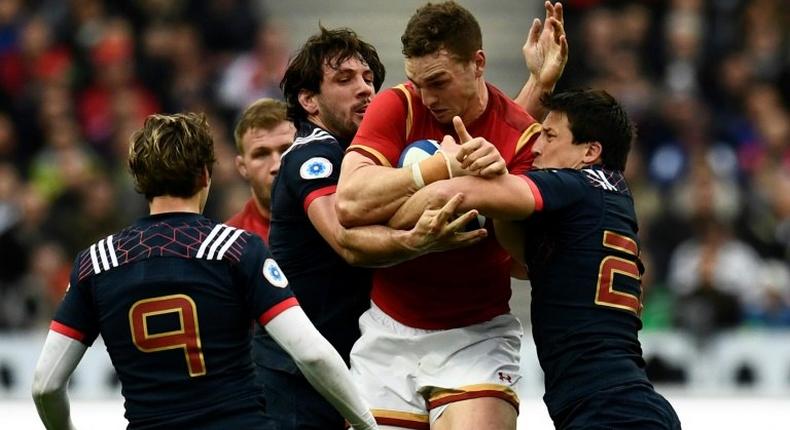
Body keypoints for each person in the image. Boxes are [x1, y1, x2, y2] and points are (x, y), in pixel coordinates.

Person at [31, 113, 378, 430]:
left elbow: (45, 385)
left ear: (139, 180)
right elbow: (312, 353)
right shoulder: (237, 250)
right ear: (205, 175)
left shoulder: (97, 262)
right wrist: (367, 425)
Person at [335, 2, 567, 428]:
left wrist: (500, 196)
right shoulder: (399, 106)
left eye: (438, 82)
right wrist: (441, 170)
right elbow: (348, 204)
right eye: (417, 83)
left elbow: (524, 264)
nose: (428, 98)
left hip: (475, 336)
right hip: (389, 329)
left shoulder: (520, 139)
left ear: (477, 63)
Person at [391, 89, 681, 429]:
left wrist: (441, 170)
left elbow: (450, 193)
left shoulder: (575, 186)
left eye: (550, 135)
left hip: (609, 411)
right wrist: (495, 184)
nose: (536, 146)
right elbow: (518, 256)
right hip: (621, 404)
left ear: (590, 151)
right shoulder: (608, 198)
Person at [255, 26, 487, 430]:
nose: (364, 90)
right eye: (344, 80)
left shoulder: (364, 158)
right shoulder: (314, 154)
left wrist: (538, 86)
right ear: (309, 101)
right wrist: (416, 241)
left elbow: (485, 140)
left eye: (368, 79)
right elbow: (345, 239)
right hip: (296, 375)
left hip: (346, 363)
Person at [226, 98, 295, 243]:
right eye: (261, 154)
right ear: (242, 167)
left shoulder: (338, 220)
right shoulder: (230, 245)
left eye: (286, 149)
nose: (276, 165)